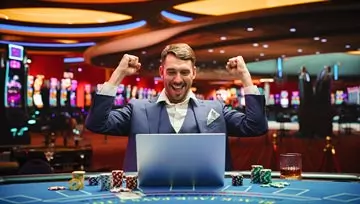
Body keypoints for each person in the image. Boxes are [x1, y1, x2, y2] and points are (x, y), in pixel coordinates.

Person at [85, 43, 268, 172]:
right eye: (171, 72)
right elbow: (97, 124)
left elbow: (256, 126)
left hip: (207, 197)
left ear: (194, 73)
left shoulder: (217, 109)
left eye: (185, 72)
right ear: (161, 72)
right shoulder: (137, 109)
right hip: (146, 198)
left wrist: (245, 77)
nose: (178, 79)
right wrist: (118, 75)